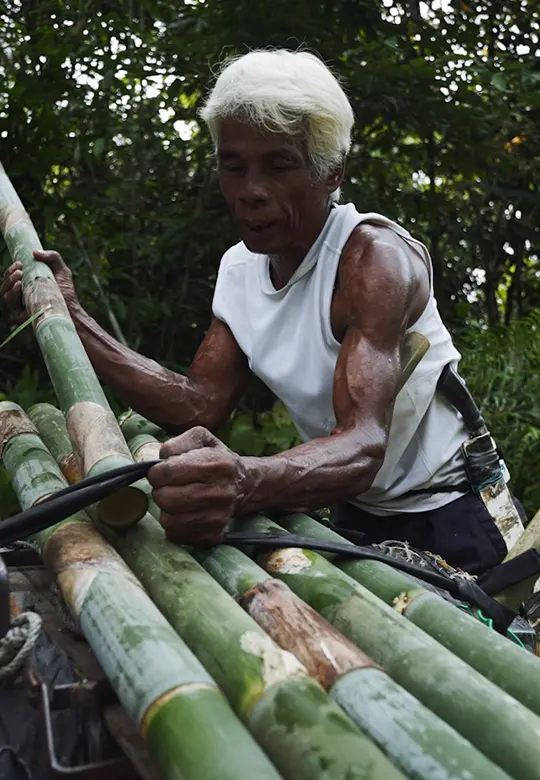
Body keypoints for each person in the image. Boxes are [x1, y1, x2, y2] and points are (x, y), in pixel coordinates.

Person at [0, 49, 516, 574]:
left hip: (453, 509)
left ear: (332, 172)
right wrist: (73, 316)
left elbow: (363, 442)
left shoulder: (372, 261)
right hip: (353, 509)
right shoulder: (241, 269)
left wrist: (245, 478)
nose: (250, 193)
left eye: (278, 166)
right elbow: (198, 405)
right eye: (233, 167)